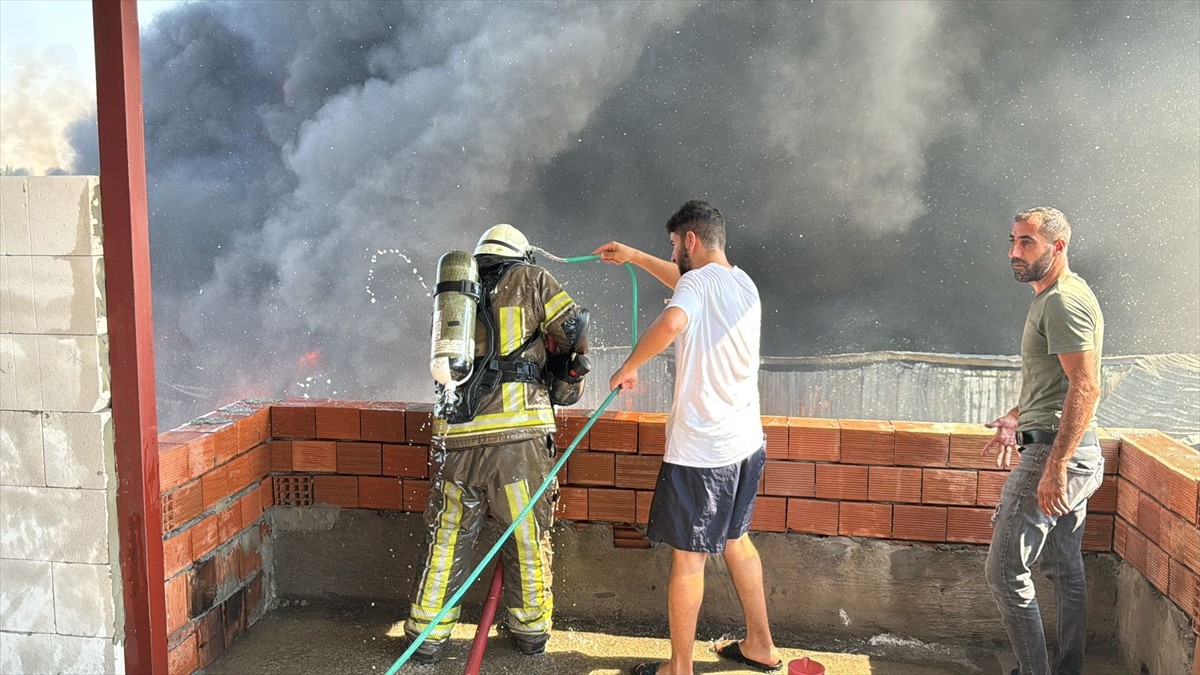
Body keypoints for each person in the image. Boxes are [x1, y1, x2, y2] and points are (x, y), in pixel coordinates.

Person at [595, 200, 782, 675]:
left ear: (690, 241)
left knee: (689, 559)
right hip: (745, 445)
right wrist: (634, 256)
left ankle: (679, 668)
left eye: (674, 245)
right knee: (737, 541)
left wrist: (627, 368)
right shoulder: (741, 282)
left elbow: (675, 318)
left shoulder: (696, 285)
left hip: (703, 453)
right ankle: (761, 644)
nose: (673, 253)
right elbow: (683, 284)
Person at [404, 223, 590, 663]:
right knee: (525, 534)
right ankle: (530, 635)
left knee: (448, 535)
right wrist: (565, 370)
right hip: (517, 440)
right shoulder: (533, 279)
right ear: (522, 255)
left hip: (454, 437)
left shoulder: (457, 298)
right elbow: (575, 329)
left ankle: (426, 637)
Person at [982, 207, 1105, 675]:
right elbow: (1058, 383)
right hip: (1070, 448)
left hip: (1056, 454)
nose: (1014, 252)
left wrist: (1054, 466)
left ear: (1058, 247)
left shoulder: (1061, 301)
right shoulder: (1060, 296)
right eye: (1013, 241)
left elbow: (1086, 385)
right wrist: (1018, 416)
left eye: (1027, 243)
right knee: (1062, 566)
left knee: (1005, 572)